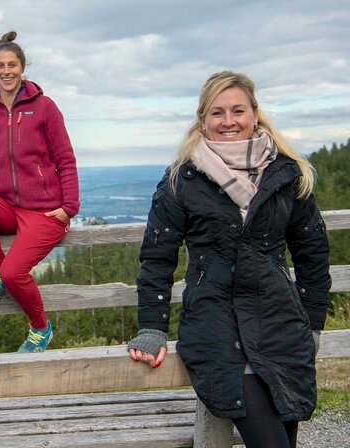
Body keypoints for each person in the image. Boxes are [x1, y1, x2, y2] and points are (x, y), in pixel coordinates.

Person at [127, 71, 331, 447]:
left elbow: (312, 254)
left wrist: (312, 323)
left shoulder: (287, 174)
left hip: (281, 325)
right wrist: (152, 327)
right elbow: (157, 259)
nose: (228, 121)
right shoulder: (182, 178)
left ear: (254, 114)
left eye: (237, 110)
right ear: (203, 119)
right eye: (217, 112)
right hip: (216, 326)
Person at [0, 31, 80, 353]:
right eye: (0, 65)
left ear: (22, 68)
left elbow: (65, 158)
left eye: (12, 65)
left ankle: (41, 328)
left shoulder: (44, 107)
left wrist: (69, 207)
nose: (6, 71)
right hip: (7, 207)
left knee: (14, 273)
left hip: (47, 211)